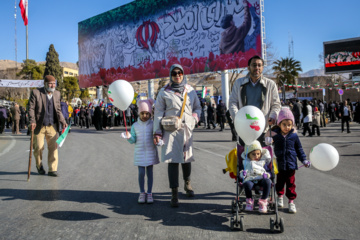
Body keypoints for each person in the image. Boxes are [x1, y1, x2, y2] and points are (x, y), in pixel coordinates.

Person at [153, 64, 202, 207]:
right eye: (174, 73)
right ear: (170, 75)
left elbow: (198, 107)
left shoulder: (190, 90)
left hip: (186, 129)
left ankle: (188, 184)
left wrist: (194, 118)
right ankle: (174, 192)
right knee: (172, 160)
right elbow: (158, 114)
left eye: (180, 73)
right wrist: (157, 132)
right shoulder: (164, 92)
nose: (177, 75)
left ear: (183, 74)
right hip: (170, 131)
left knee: (186, 159)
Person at [265, 107, 310, 213]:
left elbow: (299, 149)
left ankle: (291, 202)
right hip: (279, 164)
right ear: (279, 124)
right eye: (284, 124)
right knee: (279, 182)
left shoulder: (294, 136)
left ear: (292, 125)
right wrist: (268, 141)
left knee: (291, 184)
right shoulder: (276, 135)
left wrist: (304, 160)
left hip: (291, 164)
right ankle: (280, 197)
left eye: (289, 125)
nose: (287, 127)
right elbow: (268, 146)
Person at [229, 55, 281, 146]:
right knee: (245, 158)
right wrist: (238, 117)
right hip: (244, 129)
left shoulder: (270, 84)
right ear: (248, 67)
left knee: (264, 157)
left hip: (263, 129)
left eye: (259, 65)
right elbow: (233, 102)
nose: (257, 67)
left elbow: (276, 104)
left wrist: (273, 116)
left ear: (262, 68)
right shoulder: (239, 83)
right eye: (254, 65)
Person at [28, 75, 67, 177]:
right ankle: (39, 165)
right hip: (39, 125)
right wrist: (32, 121)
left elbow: (58, 110)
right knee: (39, 148)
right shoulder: (36, 93)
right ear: (45, 84)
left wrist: (63, 121)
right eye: (50, 84)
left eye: (54, 84)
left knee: (53, 148)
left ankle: (52, 169)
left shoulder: (57, 94)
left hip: (52, 126)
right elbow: (31, 108)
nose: (52, 85)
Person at [124, 99, 159, 204]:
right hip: (139, 153)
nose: (145, 116)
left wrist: (159, 141)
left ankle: (149, 193)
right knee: (141, 173)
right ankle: (142, 192)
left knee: (150, 173)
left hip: (150, 152)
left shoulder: (153, 124)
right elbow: (133, 140)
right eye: (142, 113)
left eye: (147, 113)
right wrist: (129, 137)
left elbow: (156, 137)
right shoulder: (135, 126)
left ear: (150, 114)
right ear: (139, 113)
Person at [240, 140, 272, 213]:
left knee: (268, 181)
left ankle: (263, 201)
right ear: (248, 155)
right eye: (253, 154)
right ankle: (249, 201)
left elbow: (269, 172)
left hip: (261, 179)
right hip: (250, 178)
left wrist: (267, 175)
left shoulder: (263, 161)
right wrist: (243, 174)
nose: (256, 156)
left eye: (258, 154)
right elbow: (241, 173)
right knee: (247, 184)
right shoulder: (246, 162)